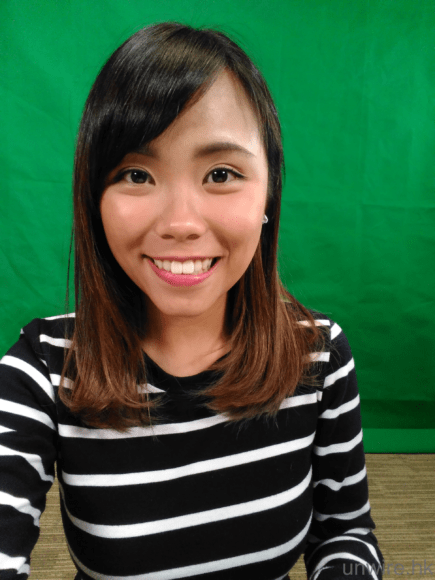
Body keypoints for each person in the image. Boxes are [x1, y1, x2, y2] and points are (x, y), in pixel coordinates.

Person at [0, 22, 383, 580]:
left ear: (269, 192)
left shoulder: (318, 355)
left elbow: (346, 533)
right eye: (136, 174)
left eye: (221, 174)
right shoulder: (42, 369)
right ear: (94, 198)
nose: (180, 223)